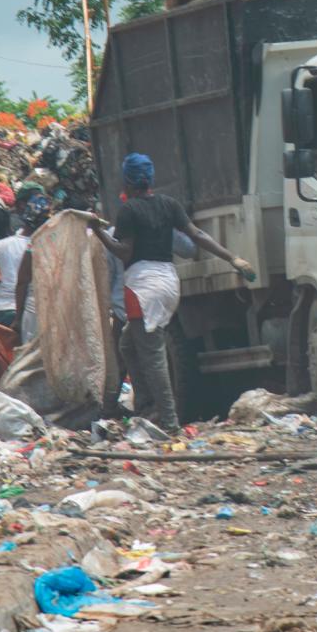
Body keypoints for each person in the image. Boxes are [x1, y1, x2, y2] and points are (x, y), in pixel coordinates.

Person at [85, 153, 254, 433]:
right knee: (128, 345)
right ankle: (147, 407)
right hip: (168, 282)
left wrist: (99, 233)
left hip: (142, 286)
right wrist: (233, 258)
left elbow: (124, 251)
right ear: (150, 180)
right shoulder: (168, 204)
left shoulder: (129, 211)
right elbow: (197, 236)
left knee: (152, 355)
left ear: (127, 181)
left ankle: (169, 421)